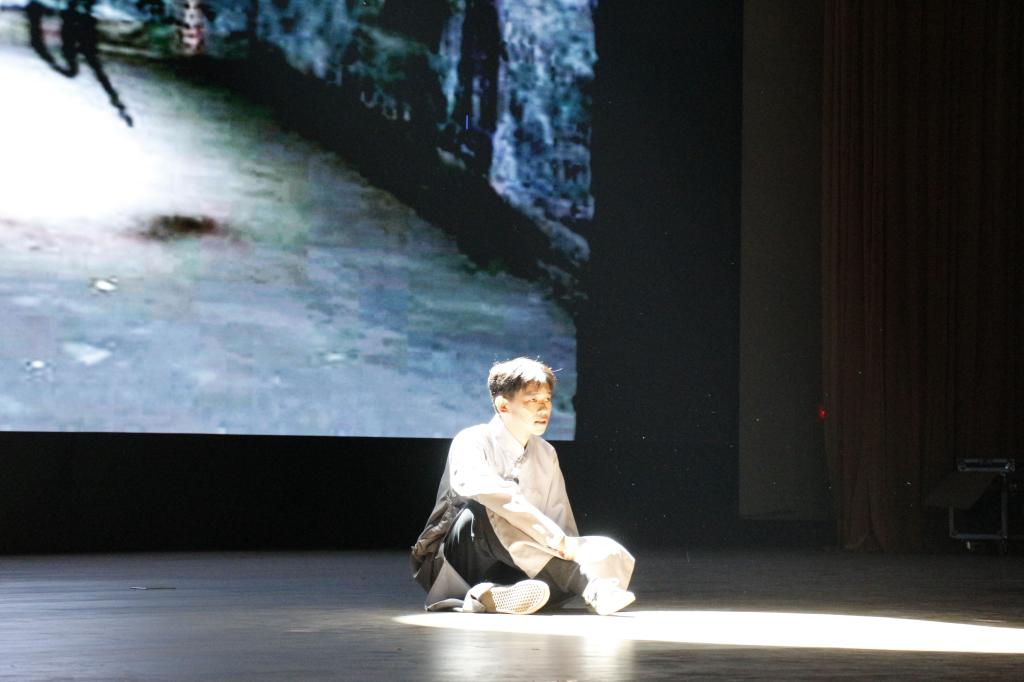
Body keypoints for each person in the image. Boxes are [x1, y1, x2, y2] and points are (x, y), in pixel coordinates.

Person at [411, 357, 635, 615]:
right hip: (460, 562)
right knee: (491, 510)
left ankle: (489, 596)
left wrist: (571, 548)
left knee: (606, 550)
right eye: (532, 400)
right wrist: (554, 538)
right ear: (503, 405)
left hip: (523, 563)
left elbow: (560, 521)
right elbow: (489, 493)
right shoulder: (472, 440)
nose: (544, 408)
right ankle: (593, 586)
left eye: (547, 399)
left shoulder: (546, 453)